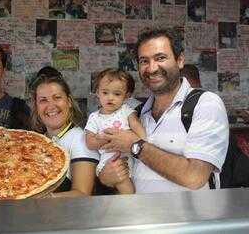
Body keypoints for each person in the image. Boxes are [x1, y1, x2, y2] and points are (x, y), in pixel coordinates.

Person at [99, 27, 229, 193]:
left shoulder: (205, 104)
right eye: (144, 61)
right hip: (140, 216)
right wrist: (106, 176)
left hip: (189, 219)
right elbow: (120, 168)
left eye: (160, 58)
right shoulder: (137, 114)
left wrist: (135, 146)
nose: (152, 68)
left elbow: (194, 177)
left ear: (180, 60)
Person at [30, 67, 110, 197]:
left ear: (69, 102)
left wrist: (38, 199)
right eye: (43, 100)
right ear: (36, 107)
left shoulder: (81, 139)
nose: (51, 106)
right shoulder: (38, 141)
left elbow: (82, 194)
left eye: (57, 97)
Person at [85, 68, 146, 194]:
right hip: (109, 160)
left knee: (137, 184)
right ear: (97, 92)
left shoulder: (126, 111)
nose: (110, 98)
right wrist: (101, 139)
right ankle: (131, 207)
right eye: (105, 93)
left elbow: (138, 128)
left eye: (117, 94)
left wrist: (140, 141)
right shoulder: (94, 117)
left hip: (130, 158)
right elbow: (89, 143)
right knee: (124, 185)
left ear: (126, 96)